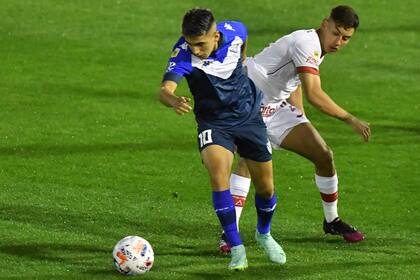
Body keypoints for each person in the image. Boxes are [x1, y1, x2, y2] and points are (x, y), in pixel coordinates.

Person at [219, 5, 371, 253]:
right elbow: (314, 93)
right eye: (336, 33)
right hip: (247, 101)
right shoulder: (305, 42)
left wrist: (299, 116)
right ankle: (229, 234)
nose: (339, 42)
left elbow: (294, 81)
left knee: (323, 155)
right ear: (325, 24)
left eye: (346, 38)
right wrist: (349, 119)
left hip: (274, 106)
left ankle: (331, 220)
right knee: (249, 162)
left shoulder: (316, 48)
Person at [159, 8, 286, 270]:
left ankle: (264, 233)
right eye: (191, 43)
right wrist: (173, 100)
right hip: (214, 123)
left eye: (200, 44)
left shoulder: (235, 31)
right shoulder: (183, 54)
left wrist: (241, 64)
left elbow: (243, 42)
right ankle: (236, 247)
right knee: (219, 176)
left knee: (266, 188)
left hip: (248, 117)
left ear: (215, 36)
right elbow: (165, 89)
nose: (194, 49)